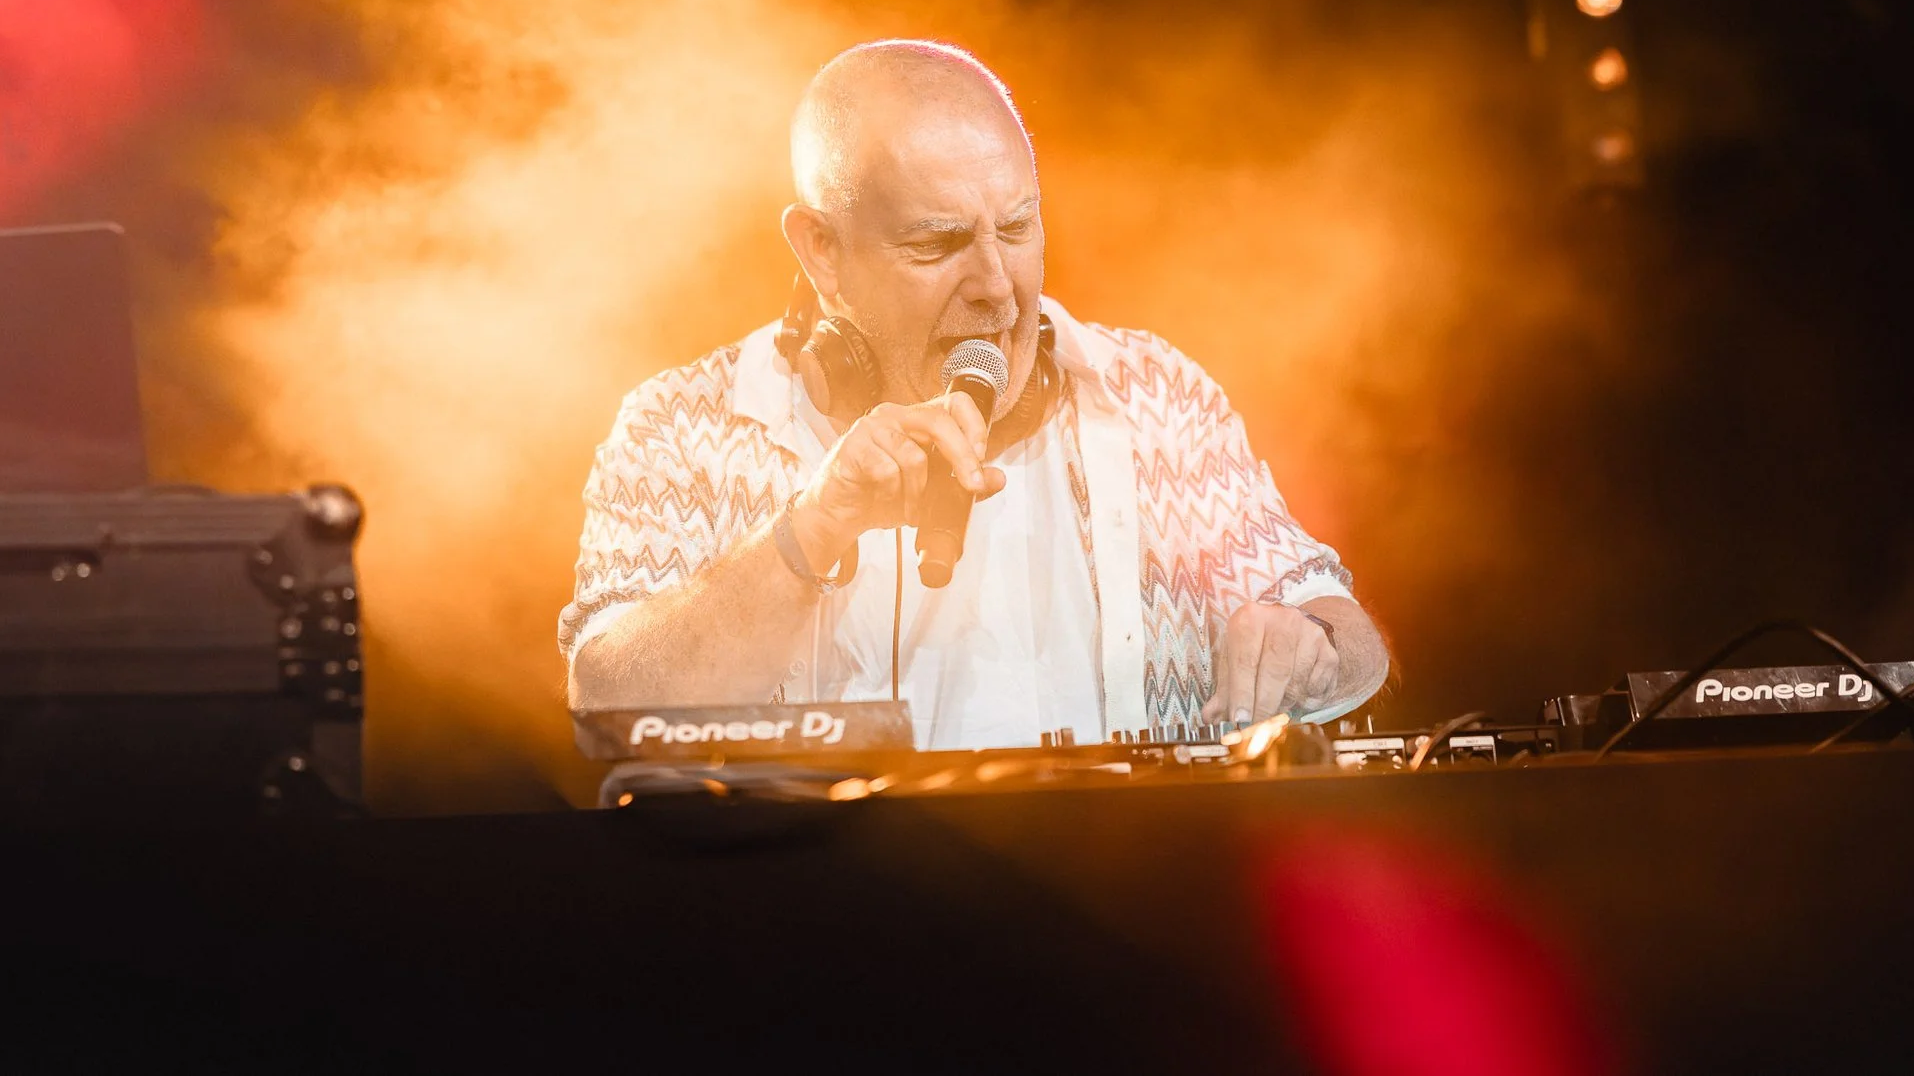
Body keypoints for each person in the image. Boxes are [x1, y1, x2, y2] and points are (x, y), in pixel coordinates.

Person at [560, 40, 1389, 748]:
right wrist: (813, 530)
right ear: (823, 252)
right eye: (939, 242)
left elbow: (1351, 634)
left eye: (1019, 228)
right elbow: (607, 704)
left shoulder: (1151, 396)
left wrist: (1309, 643)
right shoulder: (684, 425)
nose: (997, 285)